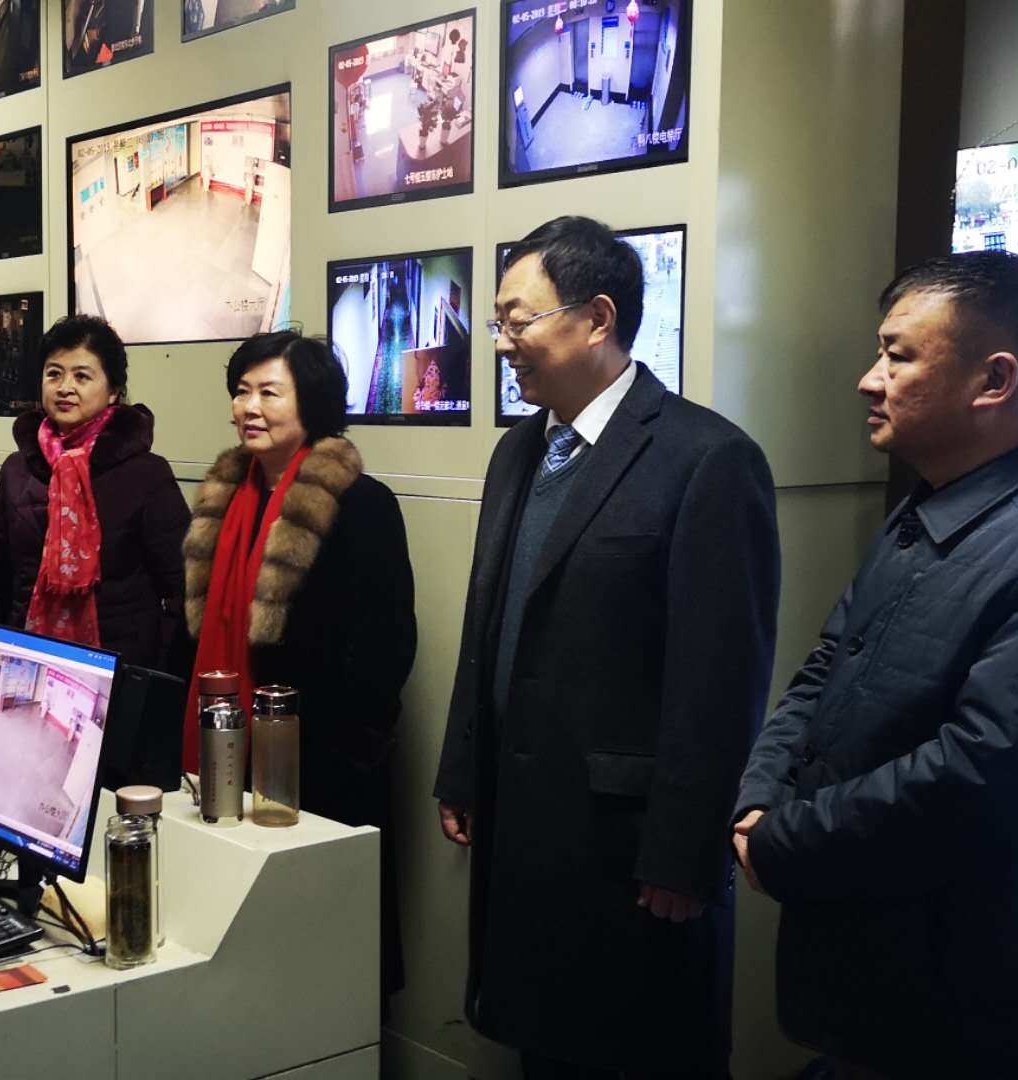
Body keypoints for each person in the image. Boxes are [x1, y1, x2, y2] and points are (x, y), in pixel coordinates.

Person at [731, 251, 1018, 1079]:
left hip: (977, 1016)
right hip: (881, 987)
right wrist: (759, 797)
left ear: (993, 380)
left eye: (898, 357)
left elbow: (982, 781)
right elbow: (829, 666)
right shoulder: (932, 505)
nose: (869, 380)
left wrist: (785, 839)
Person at [433, 215, 781, 1080]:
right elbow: (489, 623)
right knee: (545, 1047)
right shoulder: (519, 451)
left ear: (596, 318)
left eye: (519, 320)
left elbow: (722, 679)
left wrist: (686, 850)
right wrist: (463, 765)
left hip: (629, 845)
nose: (502, 343)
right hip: (525, 820)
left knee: (639, 1051)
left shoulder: (707, 458)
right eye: (499, 322)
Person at [184, 331, 417, 992]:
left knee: (327, 955)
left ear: (311, 403)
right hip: (228, 750)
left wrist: (344, 744)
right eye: (241, 391)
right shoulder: (224, 497)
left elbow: (387, 646)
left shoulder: (360, 503)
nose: (249, 407)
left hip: (323, 766)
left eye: (269, 392)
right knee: (244, 956)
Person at [0, 314, 190, 667]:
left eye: (82, 376)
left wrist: (157, 664)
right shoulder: (17, 469)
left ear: (113, 391)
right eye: (54, 374)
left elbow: (181, 585)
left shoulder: (146, 474)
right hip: (28, 654)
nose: (65, 387)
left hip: (121, 663)